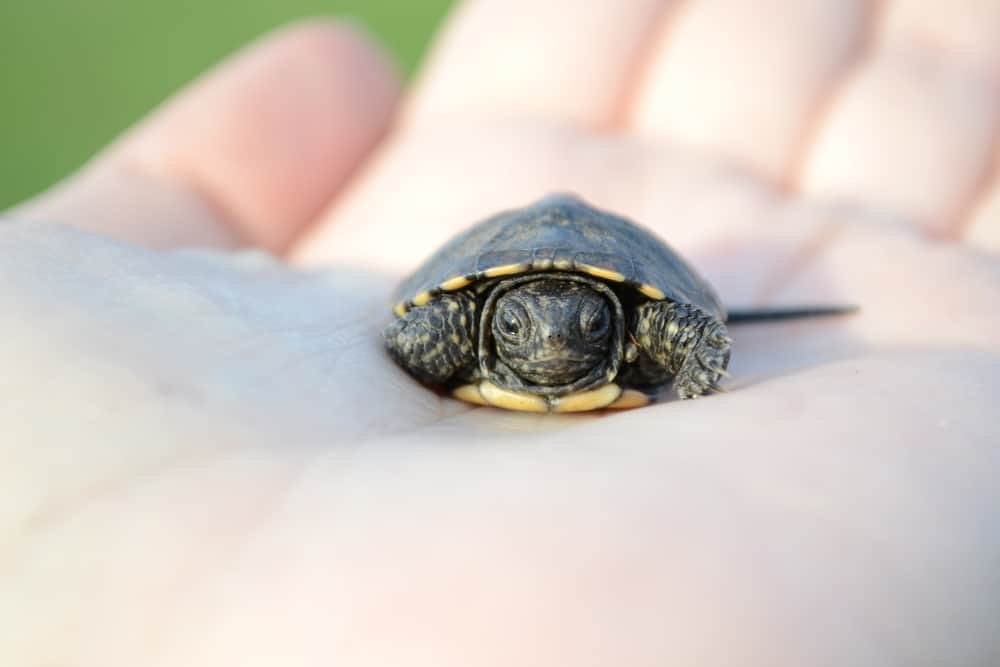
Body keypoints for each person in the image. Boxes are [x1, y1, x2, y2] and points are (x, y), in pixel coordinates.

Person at [3, 2, 999, 663]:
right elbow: (419, 318)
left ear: (612, 320)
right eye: (523, 317)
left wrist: (694, 355)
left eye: (585, 316)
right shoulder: (461, 323)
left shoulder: (631, 328)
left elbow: (689, 331)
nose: (558, 328)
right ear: (493, 319)